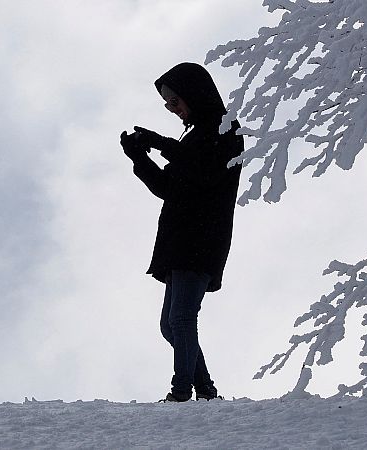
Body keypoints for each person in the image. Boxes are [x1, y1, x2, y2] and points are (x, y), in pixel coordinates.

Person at [120, 63, 244, 402]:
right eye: (168, 104)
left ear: (194, 95)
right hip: (179, 240)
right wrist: (139, 159)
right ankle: (204, 391)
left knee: (182, 318)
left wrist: (160, 143)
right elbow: (167, 186)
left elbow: (204, 170)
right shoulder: (190, 137)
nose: (173, 110)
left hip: (202, 239)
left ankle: (182, 393)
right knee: (170, 324)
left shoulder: (224, 130)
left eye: (175, 101)